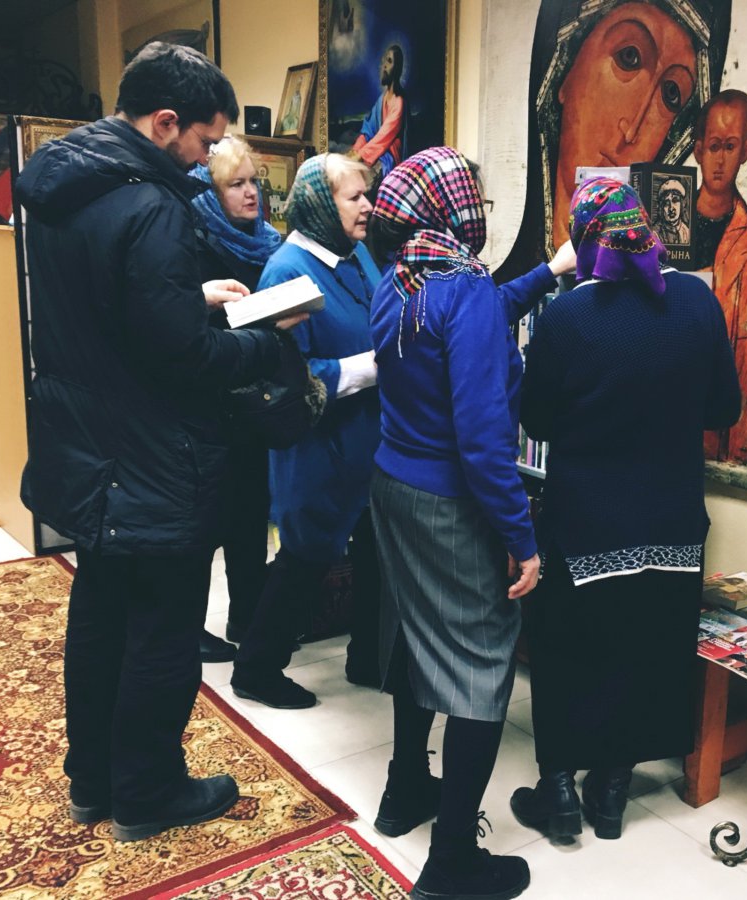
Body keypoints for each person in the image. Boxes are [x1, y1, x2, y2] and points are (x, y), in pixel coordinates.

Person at [14, 41, 305, 842]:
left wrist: (189, 295)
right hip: (152, 456)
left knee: (100, 619)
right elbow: (188, 361)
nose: (207, 159)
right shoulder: (152, 207)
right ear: (165, 121)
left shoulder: (69, 187)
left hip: (89, 446)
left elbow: (111, 308)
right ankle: (148, 792)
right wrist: (266, 338)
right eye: (206, 141)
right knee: (163, 633)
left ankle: (93, 781)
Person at [367, 146, 576, 900]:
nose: (480, 209)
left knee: (418, 635)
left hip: (393, 485)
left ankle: (404, 790)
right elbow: (485, 444)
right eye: (476, 199)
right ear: (454, 208)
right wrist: (522, 540)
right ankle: (452, 860)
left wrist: (547, 272)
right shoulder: (464, 289)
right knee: (482, 665)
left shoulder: (402, 276)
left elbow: (476, 313)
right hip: (449, 502)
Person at [509, 176, 740, 842]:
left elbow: (537, 420)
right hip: (671, 523)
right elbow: (724, 409)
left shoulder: (568, 317)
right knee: (647, 651)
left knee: (568, 650)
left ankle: (559, 793)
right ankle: (611, 794)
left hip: (588, 524)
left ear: (585, 239)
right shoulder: (695, 300)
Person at [230, 153, 385, 709]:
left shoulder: (356, 253)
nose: (368, 206)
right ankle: (256, 669)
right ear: (321, 204)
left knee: (374, 553)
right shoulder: (285, 270)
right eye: (354, 197)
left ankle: (368, 656)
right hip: (318, 446)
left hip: (368, 438)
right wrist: (375, 366)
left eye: (367, 194)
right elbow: (285, 375)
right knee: (305, 558)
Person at [496, 0, 731, 275]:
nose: (632, 130)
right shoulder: (503, 293)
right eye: (629, 57)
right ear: (566, 71)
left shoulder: (667, 289)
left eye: (671, 94)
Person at [189, 135, 283, 663]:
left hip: (256, 399)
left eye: (254, 183)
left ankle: (247, 615)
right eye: (236, 184)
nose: (251, 194)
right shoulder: (194, 241)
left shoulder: (269, 243)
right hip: (208, 400)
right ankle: (191, 628)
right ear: (211, 193)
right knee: (206, 524)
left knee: (251, 512)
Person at [692, 89, 747, 466]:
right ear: (698, 150)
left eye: (730, 146)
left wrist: (739, 450)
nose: (720, 160)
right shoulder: (666, 227)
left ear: (746, 151)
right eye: (713, 146)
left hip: (706, 412)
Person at [351, 44, 406, 177]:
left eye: (390, 61)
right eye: (384, 61)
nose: (384, 66)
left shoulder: (398, 102)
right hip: (375, 151)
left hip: (389, 155)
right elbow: (368, 131)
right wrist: (355, 151)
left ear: (397, 68)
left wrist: (360, 155)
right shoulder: (381, 100)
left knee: (368, 175)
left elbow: (383, 137)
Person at [655, 177, 690, 244]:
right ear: (661, 207)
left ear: (682, 204)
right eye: (666, 203)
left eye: (675, 200)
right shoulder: (655, 233)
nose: (671, 208)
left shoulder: (687, 232)